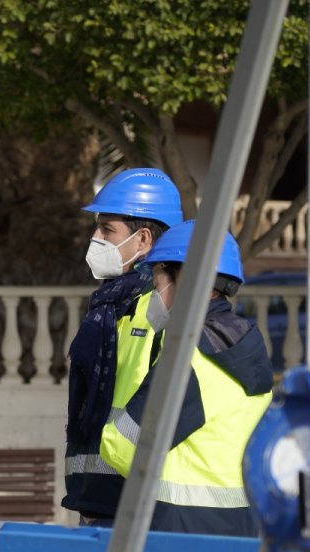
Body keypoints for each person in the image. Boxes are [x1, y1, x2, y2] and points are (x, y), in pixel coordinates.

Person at [100, 220, 273, 537]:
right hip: (240, 528)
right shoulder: (246, 347)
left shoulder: (190, 356)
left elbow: (124, 446)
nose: (156, 293)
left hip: (181, 530)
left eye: (157, 281)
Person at [63, 168, 184, 527]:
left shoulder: (161, 306)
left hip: (139, 501)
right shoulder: (109, 304)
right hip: (97, 496)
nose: (95, 238)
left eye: (106, 229)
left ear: (143, 239)